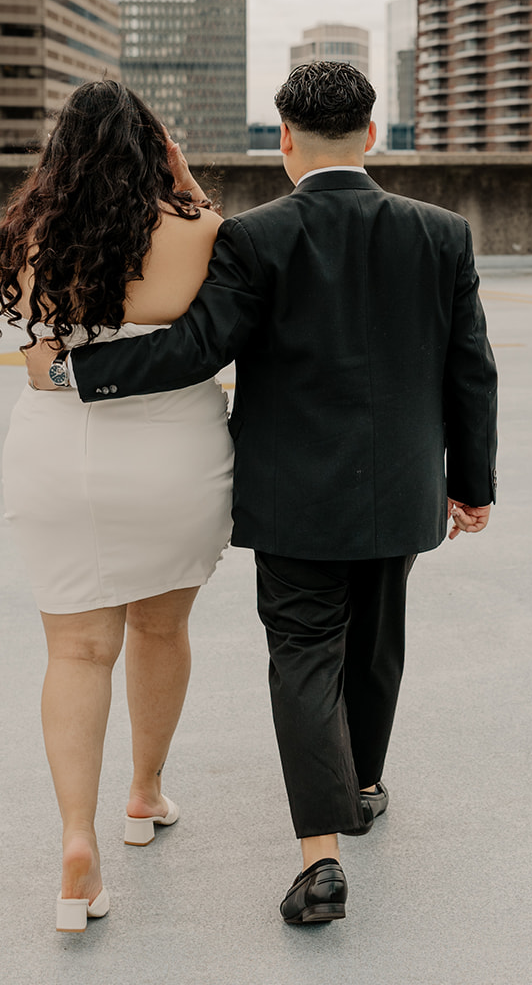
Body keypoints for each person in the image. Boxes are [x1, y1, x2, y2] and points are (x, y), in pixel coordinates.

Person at [25, 61, 498, 925]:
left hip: (291, 495)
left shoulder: (256, 237)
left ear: (282, 137)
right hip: (399, 489)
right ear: (373, 131)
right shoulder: (442, 233)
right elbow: (470, 369)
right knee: (377, 639)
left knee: (304, 653)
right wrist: (468, 484)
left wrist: (70, 369)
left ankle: (320, 853)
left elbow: (192, 348)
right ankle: (358, 780)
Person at [0, 80, 233, 934]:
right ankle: (143, 794)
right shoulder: (195, 229)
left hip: (56, 449)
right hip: (173, 452)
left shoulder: (26, 235)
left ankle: (75, 842)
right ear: (153, 150)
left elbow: (37, 343)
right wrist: (188, 181)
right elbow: (223, 266)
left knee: (78, 650)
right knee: (162, 630)